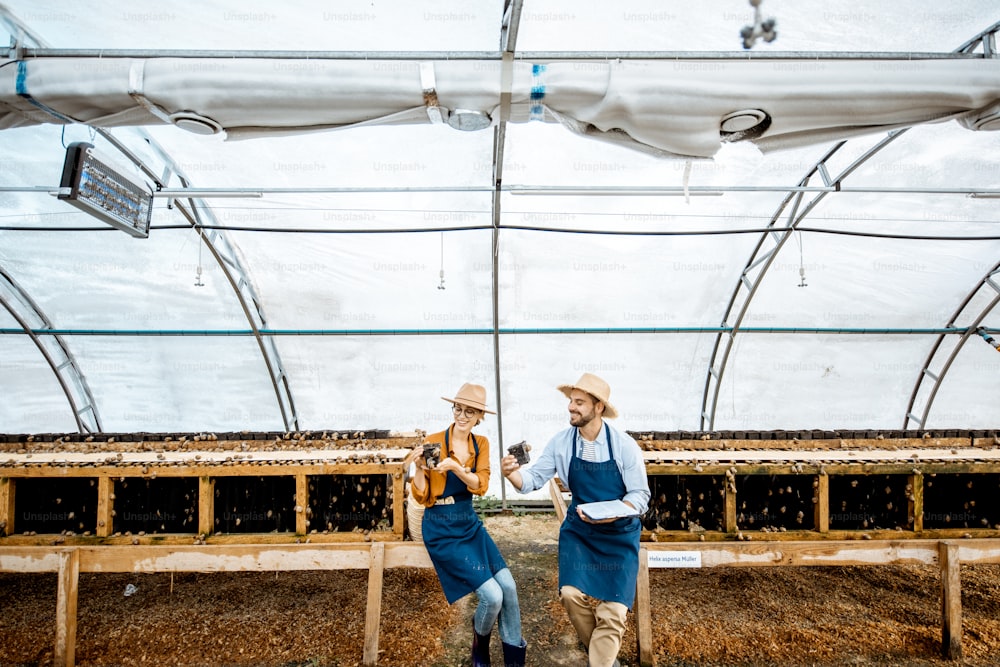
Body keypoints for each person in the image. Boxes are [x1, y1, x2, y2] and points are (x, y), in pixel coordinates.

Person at [501, 372, 650, 667]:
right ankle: (603, 655)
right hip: (580, 530)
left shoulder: (624, 445)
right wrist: (511, 474)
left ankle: (600, 661)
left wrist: (616, 512)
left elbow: (640, 495)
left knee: (614, 612)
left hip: (619, 533)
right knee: (569, 594)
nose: (572, 407)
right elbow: (531, 480)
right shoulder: (561, 443)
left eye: (579, 402)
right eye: (571, 401)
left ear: (598, 407)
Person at [408, 382, 527, 667]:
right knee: (492, 596)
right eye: (458, 409)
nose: (461, 416)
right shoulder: (434, 441)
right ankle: (479, 648)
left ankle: (515, 662)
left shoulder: (480, 444)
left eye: (469, 412)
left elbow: (481, 485)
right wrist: (419, 470)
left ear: (478, 417)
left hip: (468, 523)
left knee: (509, 587)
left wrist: (457, 468)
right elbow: (422, 496)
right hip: (441, 527)